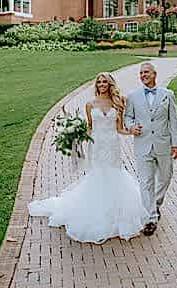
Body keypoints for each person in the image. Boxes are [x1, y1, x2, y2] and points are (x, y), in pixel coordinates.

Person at [28, 72, 149, 243]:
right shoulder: (90, 105)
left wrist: (131, 131)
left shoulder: (119, 102)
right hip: (97, 146)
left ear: (110, 84)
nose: (101, 85)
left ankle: (116, 215)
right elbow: (90, 128)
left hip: (112, 145)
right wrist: (75, 134)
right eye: (99, 82)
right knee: (98, 176)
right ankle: (97, 214)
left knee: (115, 175)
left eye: (104, 82)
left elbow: (119, 128)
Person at [124, 62, 177, 236]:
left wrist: (176, 143)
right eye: (141, 73)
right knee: (146, 181)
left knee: (165, 177)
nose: (143, 75)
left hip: (163, 144)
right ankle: (151, 217)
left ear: (155, 74)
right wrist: (131, 127)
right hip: (143, 144)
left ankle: (155, 203)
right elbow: (128, 116)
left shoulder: (168, 95)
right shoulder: (133, 96)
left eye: (146, 72)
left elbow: (174, 120)